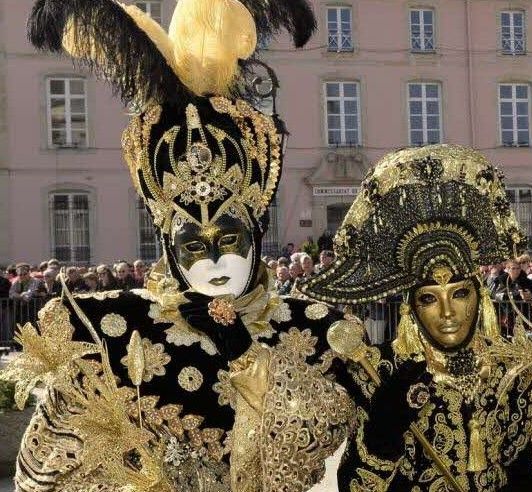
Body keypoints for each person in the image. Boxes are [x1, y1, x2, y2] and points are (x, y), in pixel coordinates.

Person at [1, 2, 354, 490]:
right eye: (193, 244)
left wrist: (254, 366)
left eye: (229, 239)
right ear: (168, 245)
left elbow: (311, 462)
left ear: (254, 234)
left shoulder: (310, 331)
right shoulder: (113, 335)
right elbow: (45, 473)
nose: (213, 260)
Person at [300, 144, 532, 491]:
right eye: (430, 299)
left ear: (480, 296)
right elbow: (357, 485)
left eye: (460, 293)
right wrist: (381, 436)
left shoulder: (514, 371)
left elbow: (525, 474)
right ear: (411, 308)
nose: (448, 313)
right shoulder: (380, 374)